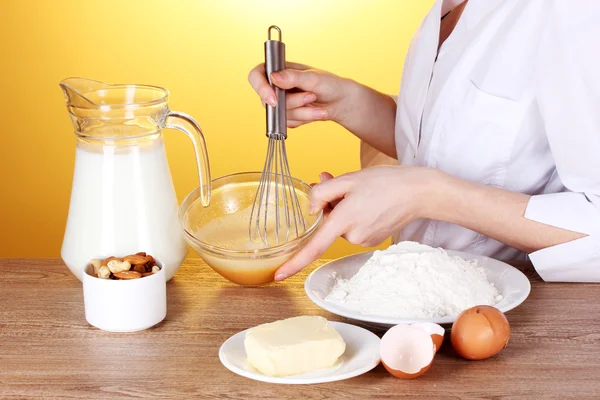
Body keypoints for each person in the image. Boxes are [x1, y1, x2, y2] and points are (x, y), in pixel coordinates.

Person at [248, 0, 600, 282]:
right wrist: (349, 102)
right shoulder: (443, 9)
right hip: (417, 298)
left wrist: (427, 194)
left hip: (517, 320)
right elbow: (446, 142)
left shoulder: (574, 10)